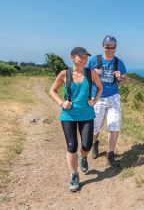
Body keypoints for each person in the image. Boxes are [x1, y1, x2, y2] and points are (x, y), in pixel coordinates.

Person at [49, 47, 103, 192]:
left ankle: (83, 157)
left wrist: (95, 100)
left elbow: (100, 88)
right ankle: (74, 174)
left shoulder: (90, 73)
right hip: (68, 115)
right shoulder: (64, 74)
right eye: (82, 57)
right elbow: (52, 91)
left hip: (87, 114)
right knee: (72, 146)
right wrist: (61, 103)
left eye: (86, 57)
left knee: (86, 146)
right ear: (73, 57)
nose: (85, 59)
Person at [86, 35, 127, 168]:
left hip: (113, 97)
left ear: (116, 48)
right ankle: (94, 144)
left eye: (112, 47)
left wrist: (120, 78)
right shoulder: (94, 60)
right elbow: (84, 77)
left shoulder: (119, 63)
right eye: (107, 47)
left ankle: (110, 154)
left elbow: (124, 81)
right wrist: (93, 74)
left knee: (114, 125)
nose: (110, 50)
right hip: (97, 97)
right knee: (95, 128)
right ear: (103, 46)